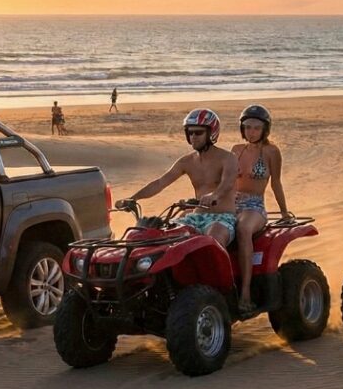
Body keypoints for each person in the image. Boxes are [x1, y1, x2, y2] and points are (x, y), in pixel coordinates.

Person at [120, 108, 238, 256]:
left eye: (198, 132)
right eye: (190, 133)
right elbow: (160, 183)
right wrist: (132, 198)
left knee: (214, 237)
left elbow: (228, 182)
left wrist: (215, 195)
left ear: (211, 133)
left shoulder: (228, 158)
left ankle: (224, 279)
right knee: (166, 236)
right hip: (196, 217)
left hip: (223, 217)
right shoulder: (186, 161)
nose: (193, 136)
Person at [230, 105, 293, 311]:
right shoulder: (236, 150)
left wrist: (284, 212)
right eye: (247, 127)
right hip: (232, 202)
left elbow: (276, 183)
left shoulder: (271, 152)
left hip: (254, 205)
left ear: (265, 129)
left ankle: (246, 292)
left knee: (243, 229)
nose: (251, 132)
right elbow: (227, 181)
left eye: (256, 128)